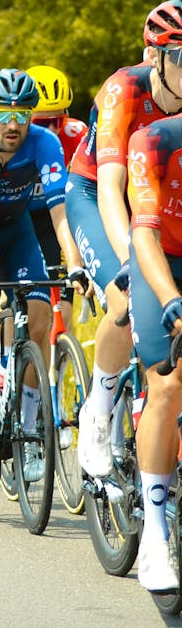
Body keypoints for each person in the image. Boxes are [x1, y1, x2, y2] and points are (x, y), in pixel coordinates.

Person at [0, 68, 86, 462]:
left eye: (22, 115)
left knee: (40, 319)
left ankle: (28, 422)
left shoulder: (45, 143)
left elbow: (60, 211)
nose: (13, 124)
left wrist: (75, 263)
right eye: (4, 115)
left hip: (16, 230)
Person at [74, 1, 182, 484]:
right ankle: (98, 410)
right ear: (154, 57)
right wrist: (127, 258)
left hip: (152, 198)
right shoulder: (125, 88)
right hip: (96, 190)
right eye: (180, 57)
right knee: (124, 297)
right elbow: (110, 188)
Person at [125, 111, 182, 592]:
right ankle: (156, 530)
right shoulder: (155, 139)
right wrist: (170, 300)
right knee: (168, 382)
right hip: (159, 261)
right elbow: (143, 231)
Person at [25, 65, 89, 326]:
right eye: (42, 123)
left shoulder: (78, 134)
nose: (51, 130)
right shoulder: (12, 139)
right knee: (18, 302)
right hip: (16, 218)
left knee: (62, 307)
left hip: (55, 219)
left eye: (57, 121)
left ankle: (59, 361)